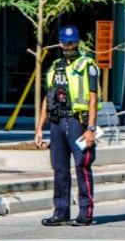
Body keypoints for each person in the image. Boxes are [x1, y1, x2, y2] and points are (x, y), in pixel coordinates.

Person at [35, 25, 101, 227]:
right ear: (61, 43)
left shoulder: (87, 65)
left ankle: (85, 213)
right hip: (57, 122)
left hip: (77, 123)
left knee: (82, 166)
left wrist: (91, 129)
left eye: (72, 42)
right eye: (66, 42)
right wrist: (39, 127)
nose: (69, 45)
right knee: (59, 169)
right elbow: (48, 97)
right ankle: (61, 211)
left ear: (78, 42)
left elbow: (92, 98)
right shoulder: (55, 66)